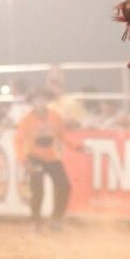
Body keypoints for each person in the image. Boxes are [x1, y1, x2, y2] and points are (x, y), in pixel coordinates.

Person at [14, 88, 84, 231]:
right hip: (34, 157)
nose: (40, 102)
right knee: (37, 190)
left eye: (43, 99)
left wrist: (77, 146)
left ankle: (56, 219)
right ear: (32, 102)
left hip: (51, 157)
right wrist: (24, 160)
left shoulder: (55, 116)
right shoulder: (26, 120)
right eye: (36, 99)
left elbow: (62, 135)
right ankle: (36, 222)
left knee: (64, 186)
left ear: (47, 101)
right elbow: (18, 141)